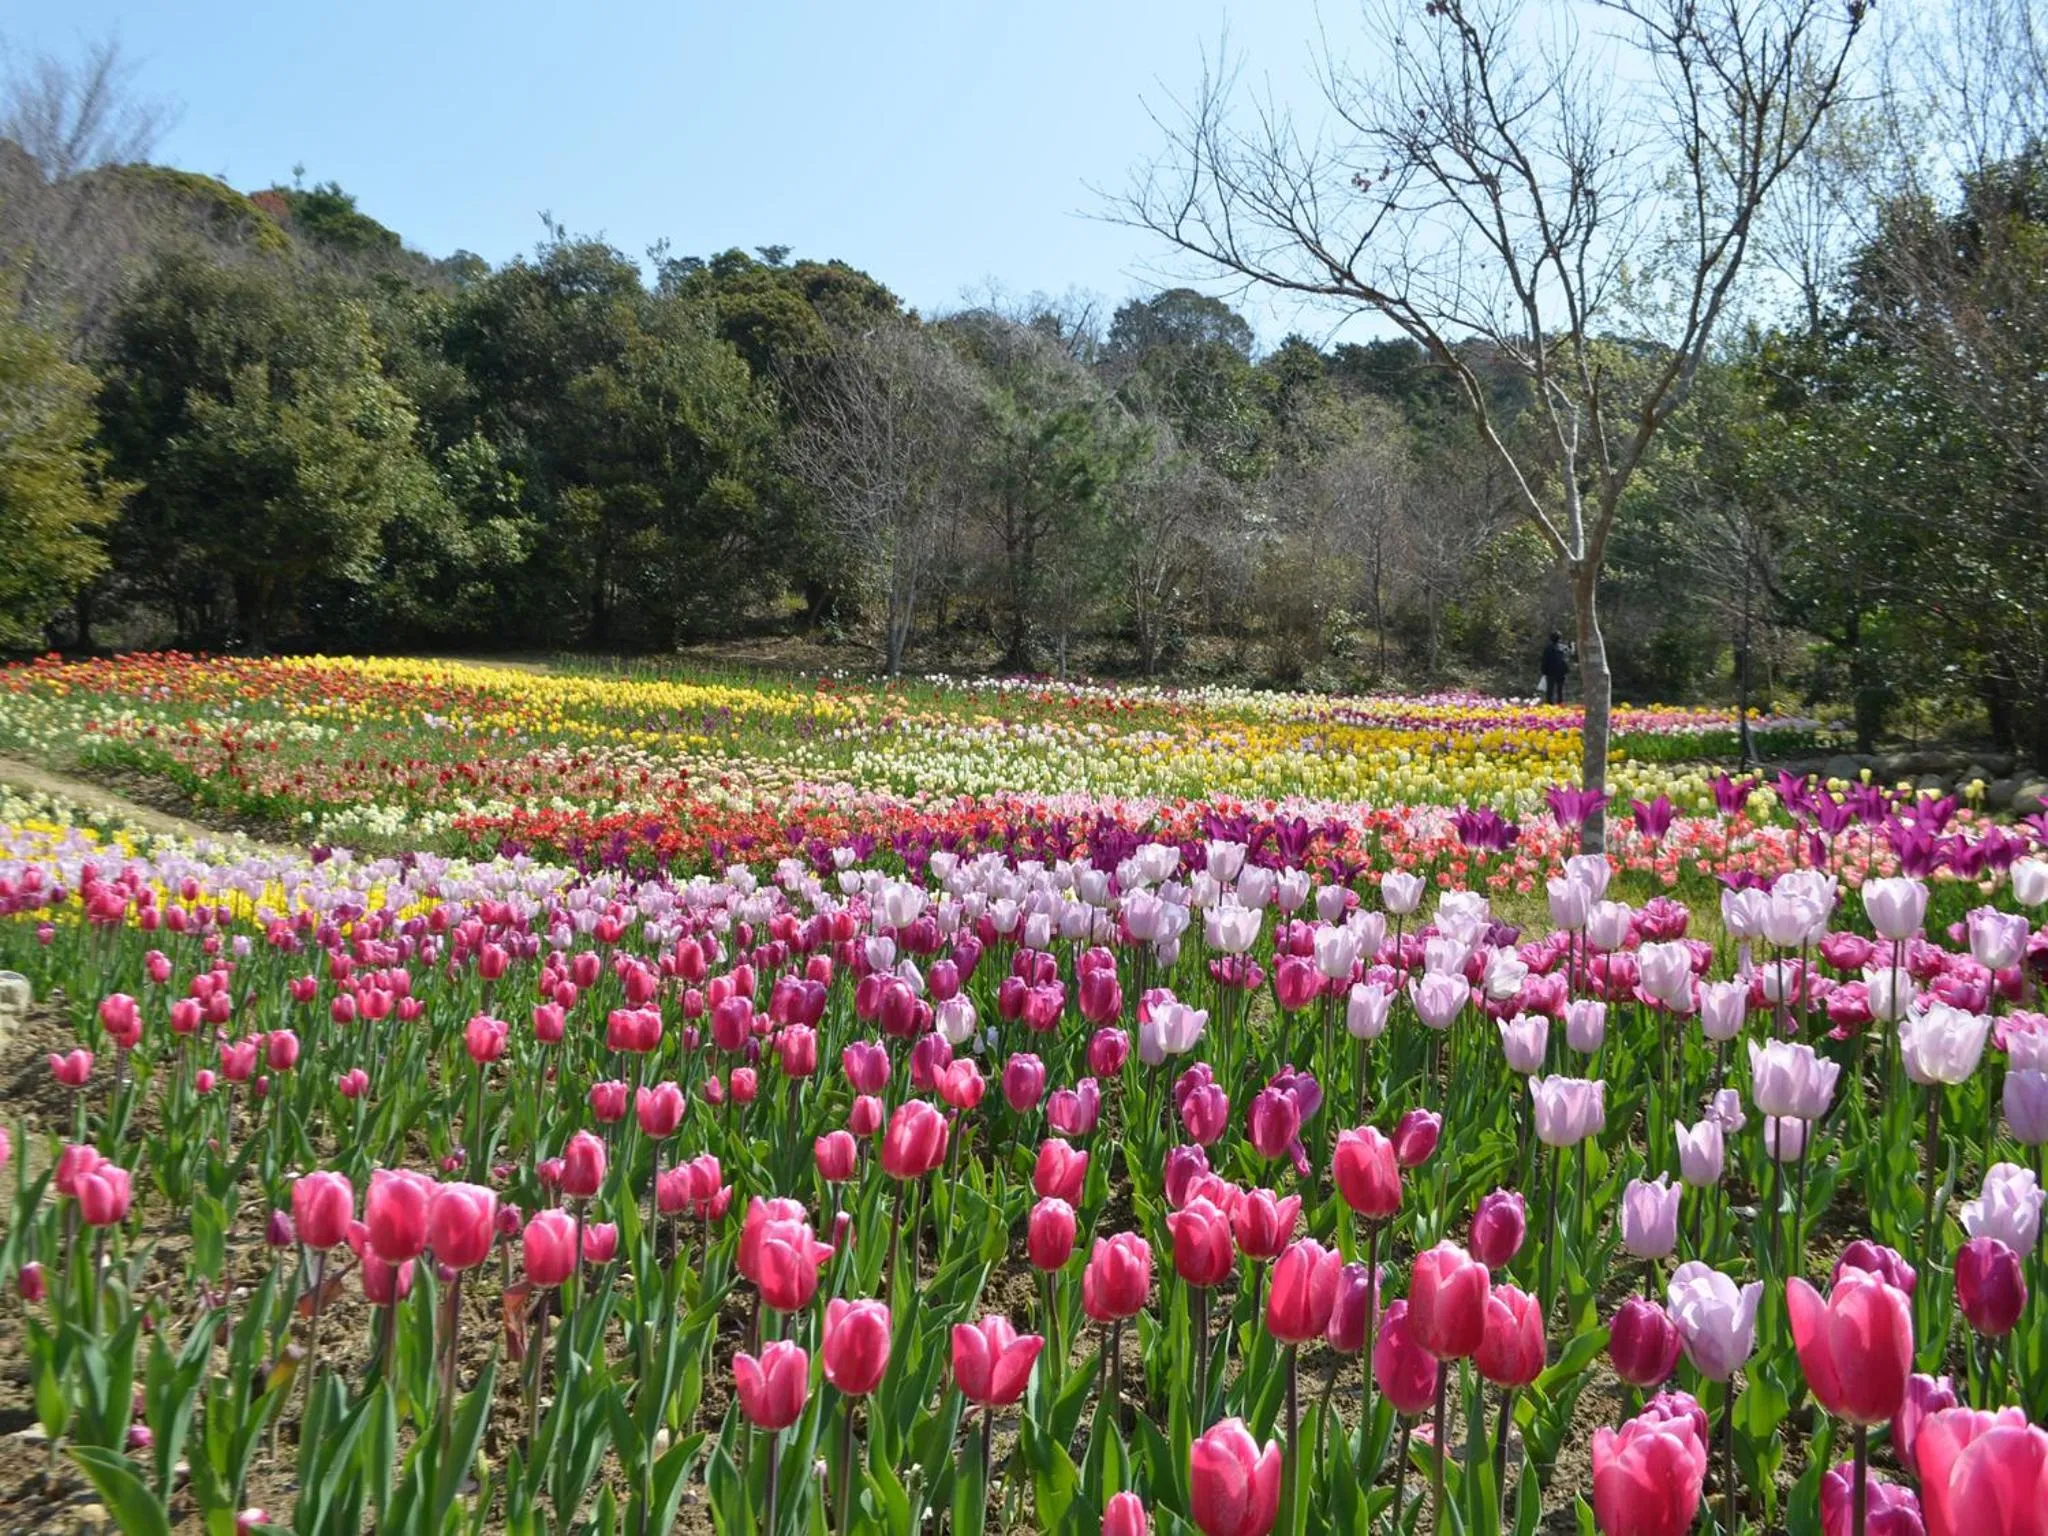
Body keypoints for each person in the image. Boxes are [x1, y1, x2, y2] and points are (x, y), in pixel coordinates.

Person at [1540, 631, 1570, 706]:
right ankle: (1560, 702)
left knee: (1550, 689)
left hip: (1550, 671)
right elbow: (1567, 659)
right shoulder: (1564, 648)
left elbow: (1544, 660)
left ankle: (1549, 704)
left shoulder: (1547, 648)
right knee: (1560, 689)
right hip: (1561, 671)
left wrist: (1544, 671)